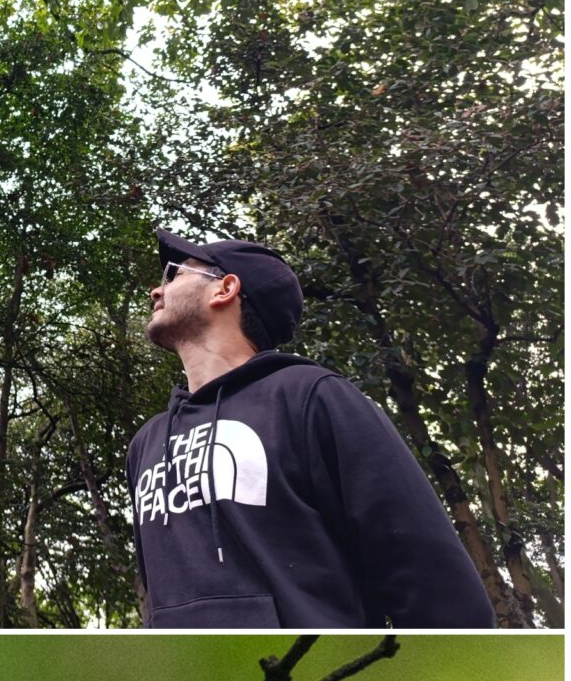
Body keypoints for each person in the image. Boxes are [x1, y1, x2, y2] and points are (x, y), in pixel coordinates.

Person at [126, 232, 494, 628]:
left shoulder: (314, 398)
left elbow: (438, 590)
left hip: (315, 680)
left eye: (173, 274)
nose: (156, 290)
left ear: (225, 288)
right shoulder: (146, 444)